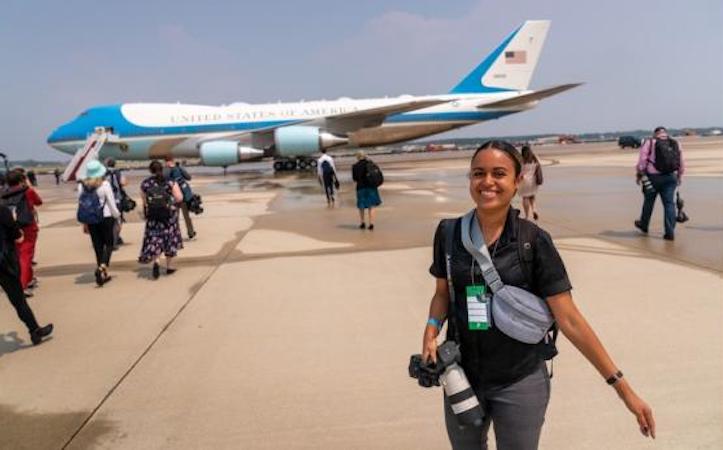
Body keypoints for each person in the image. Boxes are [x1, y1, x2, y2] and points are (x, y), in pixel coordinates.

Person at [423, 140, 655, 449]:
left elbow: (570, 320)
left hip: (519, 380)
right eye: (478, 173)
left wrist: (623, 389)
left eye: (499, 173)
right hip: (461, 375)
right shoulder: (449, 233)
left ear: (517, 181)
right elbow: (442, 292)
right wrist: (431, 328)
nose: (487, 182)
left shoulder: (533, 242)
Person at [0, 204, 53, 345]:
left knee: (18, 300)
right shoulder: (2, 210)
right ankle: (34, 330)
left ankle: (35, 330)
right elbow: (18, 237)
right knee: (18, 300)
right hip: (4, 264)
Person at [635, 126, 685, 241]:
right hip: (670, 177)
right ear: (665, 133)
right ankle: (669, 232)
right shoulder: (675, 143)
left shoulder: (650, 142)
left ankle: (644, 225)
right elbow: (681, 161)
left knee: (648, 202)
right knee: (669, 204)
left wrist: (639, 174)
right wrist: (680, 176)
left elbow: (642, 161)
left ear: (655, 133)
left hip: (652, 178)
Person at [78, 160, 120, 286]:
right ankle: (102, 267)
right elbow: (112, 204)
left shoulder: (82, 186)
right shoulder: (105, 185)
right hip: (106, 217)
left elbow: (81, 204)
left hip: (91, 219)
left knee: (97, 246)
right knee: (109, 244)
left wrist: (84, 222)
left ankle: (102, 273)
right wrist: (117, 217)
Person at [139, 160, 184, 279]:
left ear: (150, 170)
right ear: (162, 169)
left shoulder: (145, 184)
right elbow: (179, 198)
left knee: (155, 238)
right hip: (169, 216)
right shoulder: (170, 182)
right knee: (169, 239)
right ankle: (169, 267)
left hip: (153, 216)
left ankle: (157, 261)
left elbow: (144, 202)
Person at [1, 170, 42, 297]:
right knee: (26, 256)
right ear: (22, 180)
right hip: (28, 226)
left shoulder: (4, 194)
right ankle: (22, 285)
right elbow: (39, 202)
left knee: (21, 254)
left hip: (11, 227)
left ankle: (28, 279)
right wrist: (29, 185)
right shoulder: (27, 191)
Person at [164, 157, 196, 240]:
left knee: (175, 216)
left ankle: (175, 234)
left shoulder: (166, 169)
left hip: (173, 196)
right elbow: (188, 177)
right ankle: (191, 232)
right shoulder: (178, 168)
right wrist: (179, 167)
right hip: (183, 195)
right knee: (186, 215)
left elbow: (164, 178)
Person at [351, 151, 382, 230]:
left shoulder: (355, 166)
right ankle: (371, 224)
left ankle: (362, 223)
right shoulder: (370, 164)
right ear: (365, 156)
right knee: (371, 206)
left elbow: (354, 179)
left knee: (361, 206)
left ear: (357, 157)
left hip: (360, 188)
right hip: (371, 187)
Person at [104, 158, 128, 247]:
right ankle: (116, 238)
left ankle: (108, 239)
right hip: (117, 199)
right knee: (118, 220)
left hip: (106, 200)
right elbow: (124, 183)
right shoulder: (118, 172)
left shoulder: (103, 173)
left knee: (108, 220)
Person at [518, 145, 543, 221]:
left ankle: (526, 216)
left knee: (525, 197)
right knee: (532, 197)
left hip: (524, 181)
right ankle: (534, 210)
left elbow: (520, 171)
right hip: (533, 180)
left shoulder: (521, 160)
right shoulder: (535, 159)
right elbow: (538, 169)